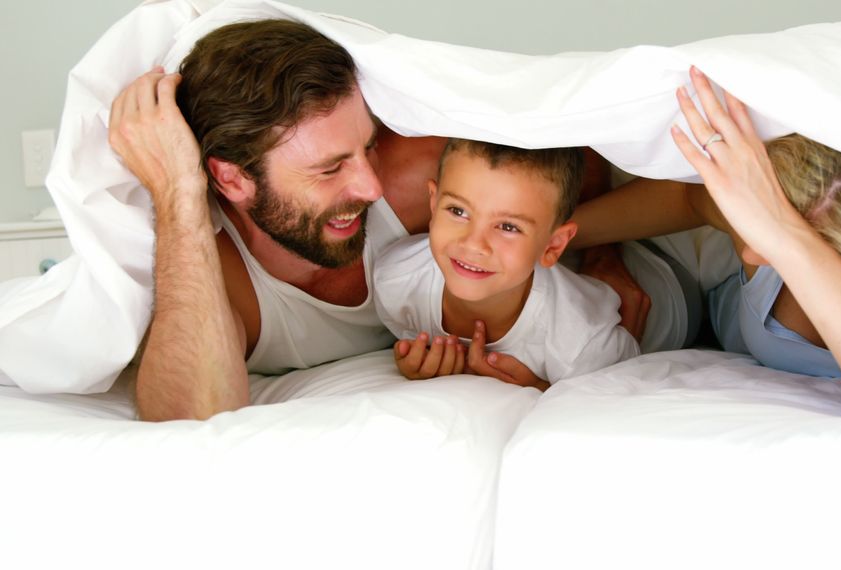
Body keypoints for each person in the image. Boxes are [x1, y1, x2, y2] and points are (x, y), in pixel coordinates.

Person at [107, 19, 644, 421]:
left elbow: (563, 146)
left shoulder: (416, 171)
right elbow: (186, 424)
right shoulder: (221, 282)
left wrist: (603, 257)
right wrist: (178, 192)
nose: (369, 186)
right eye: (330, 168)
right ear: (231, 180)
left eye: (365, 147)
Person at [572, 66, 841, 419]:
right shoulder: (766, 225)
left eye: (773, 241)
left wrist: (789, 244)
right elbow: (691, 198)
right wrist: (562, 237)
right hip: (698, 278)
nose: (749, 252)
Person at [374, 140, 659, 390]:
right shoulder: (396, 281)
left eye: (508, 226)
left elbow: (612, 400)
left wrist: (539, 387)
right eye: (458, 211)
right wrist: (418, 364)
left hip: (657, 289)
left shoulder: (583, 342)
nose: (474, 244)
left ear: (553, 245)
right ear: (434, 206)